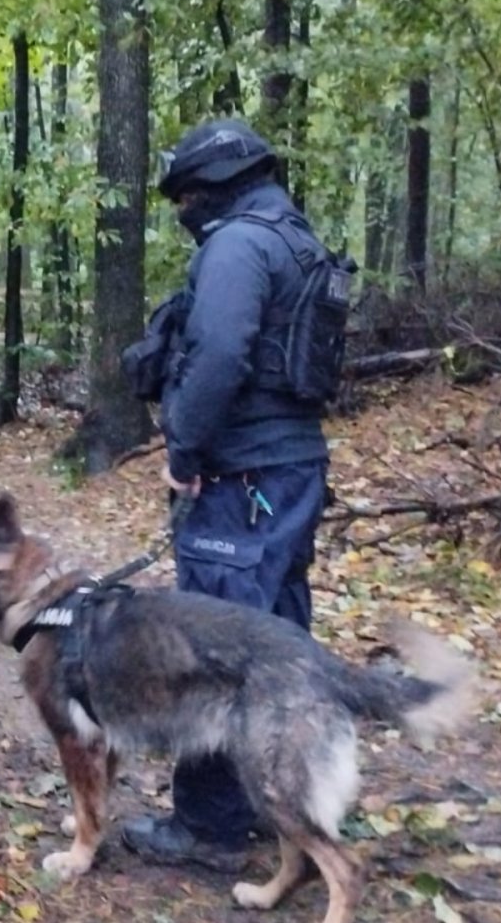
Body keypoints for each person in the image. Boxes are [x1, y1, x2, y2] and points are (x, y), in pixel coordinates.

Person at [121, 119, 336, 873]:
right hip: (290, 472)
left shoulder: (238, 245)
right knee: (279, 642)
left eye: (184, 197)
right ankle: (286, 805)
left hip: (243, 481)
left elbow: (217, 355)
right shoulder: (296, 240)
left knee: (215, 649)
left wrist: (183, 450)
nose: (183, 212)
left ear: (210, 185)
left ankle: (211, 823)